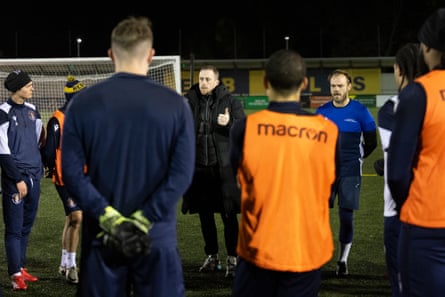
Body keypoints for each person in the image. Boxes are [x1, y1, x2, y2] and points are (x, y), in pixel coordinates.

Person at [61, 16, 195, 297]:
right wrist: (142, 221)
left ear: (111, 55)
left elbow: (72, 173)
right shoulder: (175, 105)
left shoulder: (82, 103)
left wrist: (111, 220)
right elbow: (181, 174)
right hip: (155, 238)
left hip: (103, 237)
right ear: (151, 55)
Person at [229, 49, 339, 297]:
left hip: (257, 249)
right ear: (304, 83)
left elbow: (239, 181)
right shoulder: (328, 131)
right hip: (306, 250)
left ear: (265, 82)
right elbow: (329, 191)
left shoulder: (245, 128)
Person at [387, 8, 445, 297]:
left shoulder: (419, 93)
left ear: (428, 47)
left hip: (427, 224)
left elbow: (397, 173)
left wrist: (408, 206)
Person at [181, 64, 245, 278]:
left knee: (228, 216)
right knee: (205, 215)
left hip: (222, 169)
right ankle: (212, 256)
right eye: (201, 79)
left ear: (217, 82)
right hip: (198, 169)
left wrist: (230, 123)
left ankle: (233, 258)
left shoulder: (230, 101)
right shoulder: (189, 101)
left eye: (208, 79)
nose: (204, 83)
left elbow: (243, 128)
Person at [315, 68, 377, 277]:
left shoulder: (360, 111)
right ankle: (317, 257)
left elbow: (371, 143)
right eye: (333, 86)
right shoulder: (321, 112)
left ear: (349, 87)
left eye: (340, 85)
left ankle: (343, 260)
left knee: (346, 216)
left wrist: (356, 158)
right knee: (319, 216)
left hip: (351, 170)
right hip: (325, 173)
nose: (336, 89)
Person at [374, 43, 421, 297]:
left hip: (401, 211)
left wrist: (386, 165)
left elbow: (399, 166)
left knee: (402, 285)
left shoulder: (394, 107)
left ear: (398, 69)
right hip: (437, 207)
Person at [0, 70, 45, 290]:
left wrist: (38, 168)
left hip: (35, 176)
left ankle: (21, 267)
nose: (32, 88)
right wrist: (17, 178)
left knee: (26, 226)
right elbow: (3, 151)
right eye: (28, 85)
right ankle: (15, 275)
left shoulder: (33, 110)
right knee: (14, 228)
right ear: (17, 88)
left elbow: (38, 140)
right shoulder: (2, 112)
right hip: (15, 180)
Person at [42, 75, 87, 284]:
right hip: (64, 178)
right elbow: (49, 150)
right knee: (77, 217)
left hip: (82, 177)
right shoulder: (57, 119)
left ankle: (64, 262)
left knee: (71, 219)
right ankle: (72, 266)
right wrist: (49, 167)